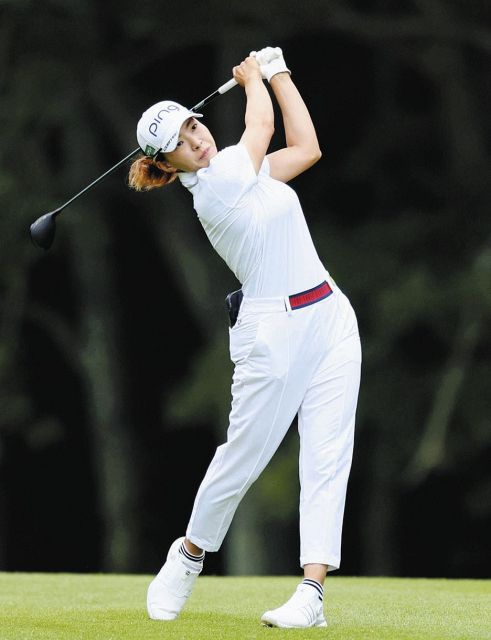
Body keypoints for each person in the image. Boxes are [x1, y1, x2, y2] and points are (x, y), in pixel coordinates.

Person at [128, 46, 362, 629]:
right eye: (183, 141)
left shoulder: (243, 169)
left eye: (193, 124)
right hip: (271, 332)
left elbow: (306, 148)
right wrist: (255, 77)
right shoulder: (214, 188)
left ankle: (311, 593)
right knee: (243, 458)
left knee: (328, 455)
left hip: (330, 315)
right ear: (168, 163)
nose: (197, 139)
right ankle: (188, 555)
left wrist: (280, 74)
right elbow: (260, 124)